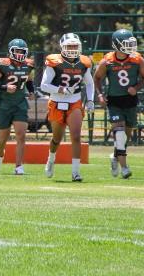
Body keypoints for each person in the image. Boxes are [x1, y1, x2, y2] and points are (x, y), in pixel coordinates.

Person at [94, 29, 144, 179]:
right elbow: (97, 77)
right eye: (127, 44)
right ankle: (124, 168)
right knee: (119, 134)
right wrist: (100, 94)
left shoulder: (137, 59)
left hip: (130, 100)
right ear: (117, 45)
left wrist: (136, 88)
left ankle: (115, 156)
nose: (131, 47)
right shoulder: (107, 61)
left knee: (125, 137)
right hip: (114, 101)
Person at [40, 33, 94, 182]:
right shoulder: (54, 62)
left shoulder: (84, 62)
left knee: (76, 136)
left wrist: (90, 100)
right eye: (69, 46)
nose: (72, 49)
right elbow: (44, 85)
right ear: (62, 47)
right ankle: (51, 160)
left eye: (74, 46)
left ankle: (75, 172)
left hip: (75, 101)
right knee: (56, 138)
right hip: (57, 101)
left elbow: (89, 83)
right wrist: (61, 89)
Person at [0, 38, 35, 175]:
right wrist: (5, 87)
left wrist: (31, 91)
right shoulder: (2, 64)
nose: (20, 54)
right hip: (5, 104)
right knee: (3, 137)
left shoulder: (28, 65)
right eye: (17, 51)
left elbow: (29, 80)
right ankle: (0, 154)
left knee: (21, 135)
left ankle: (19, 166)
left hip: (20, 103)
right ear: (10, 51)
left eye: (22, 51)